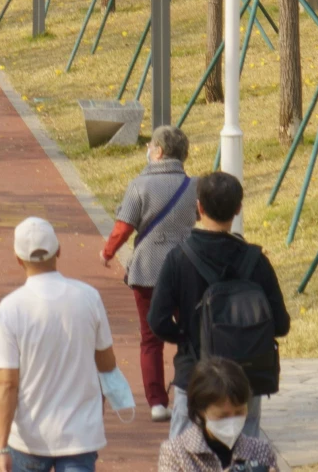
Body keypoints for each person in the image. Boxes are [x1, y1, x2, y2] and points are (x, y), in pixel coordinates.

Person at [147, 170, 290, 443]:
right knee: (246, 454)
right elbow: (281, 325)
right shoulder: (255, 261)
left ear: (199, 208)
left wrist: (188, 337)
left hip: (195, 371)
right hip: (246, 376)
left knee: (183, 454)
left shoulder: (179, 258)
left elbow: (157, 319)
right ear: (238, 209)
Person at [0, 214, 118, 472]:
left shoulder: (11, 308)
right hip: (80, 435)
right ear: (59, 251)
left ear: (18, 258)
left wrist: (2, 448)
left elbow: (6, 383)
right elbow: (107, 363)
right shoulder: (89, 298)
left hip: (30, 438)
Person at [99, 123, 197, 420]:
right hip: (185, 268)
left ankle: (156, 402)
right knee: (190, 334)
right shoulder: (193, 186)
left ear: (159, 151)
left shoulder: (139, 185)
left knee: (150, 337)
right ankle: (189, 392)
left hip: (147, 270)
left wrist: (107, 252)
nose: (147, 150)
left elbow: (124, 227)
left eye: (150, 146)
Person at [157, 357, 281, 471]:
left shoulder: (260, 451)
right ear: (201, 411)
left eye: (239, 412)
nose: (232, 421)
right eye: (223, 416)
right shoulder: (176, 453)